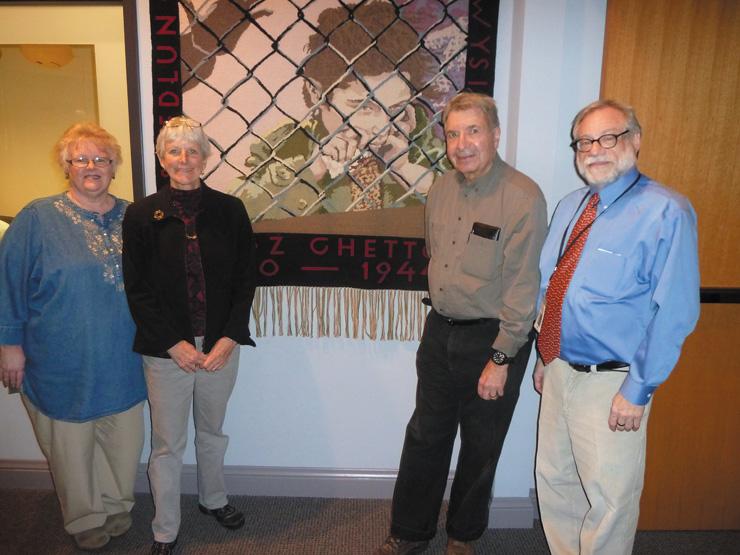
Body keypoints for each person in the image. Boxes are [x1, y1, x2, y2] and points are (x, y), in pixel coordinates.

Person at [375, 92, 548, 555]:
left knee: (480, 444)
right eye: (453, 133)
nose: (462, 143)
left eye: (472, 131)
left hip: (493, 337)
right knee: (425, 436)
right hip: (439, 332)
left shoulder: (522, 197)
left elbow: (522, 287)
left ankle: (463, 537)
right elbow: (437, 255)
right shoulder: (442, 188)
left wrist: (500, 357)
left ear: (494, 134)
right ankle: (410, 532)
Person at [533, 99, 700, 555]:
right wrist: (545, 357)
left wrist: (639, 389)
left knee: (610, 503)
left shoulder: (667, 211)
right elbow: (551, 288)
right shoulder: (570, 206)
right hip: (561, 370)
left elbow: (677, 311)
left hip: (614, 383)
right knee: (556, 484)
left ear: (635, 141)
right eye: (585, 141)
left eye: (609, 137)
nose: (595, 149)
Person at [0, 123, 146, 551]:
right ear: (66, 166)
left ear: (115, 167)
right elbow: (7, 284)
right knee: (70, 446)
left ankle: (118, 505)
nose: (91, 166)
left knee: (123, 439)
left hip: (125, 356)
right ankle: (84, 517)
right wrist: (9, 345)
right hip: (59, 358)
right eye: (80, 159)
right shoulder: (36, 218)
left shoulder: (134, 217)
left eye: (101, 159)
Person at [122, 116, 257, 555]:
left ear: (205, 157)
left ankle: (213, 499)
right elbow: (137, 289)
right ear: (162, 160)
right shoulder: (141, 215)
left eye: (192, 150)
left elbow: (245, 280)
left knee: (212, 432)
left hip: (220, 346)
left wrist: (229, 339)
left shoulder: (230, 210)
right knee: (168, 444)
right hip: (166, 352)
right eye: (174, 151)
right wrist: (172, 344)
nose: (184, 159)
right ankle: (165, 528)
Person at [229, 0, 448, 220]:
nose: (382, 126)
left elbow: (461, 205)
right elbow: (235, 215)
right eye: (363, 106)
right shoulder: (287, 145)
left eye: (396, 108)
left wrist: (406, 169)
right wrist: (312, 172)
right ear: (317, 93)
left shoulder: (420, 138)